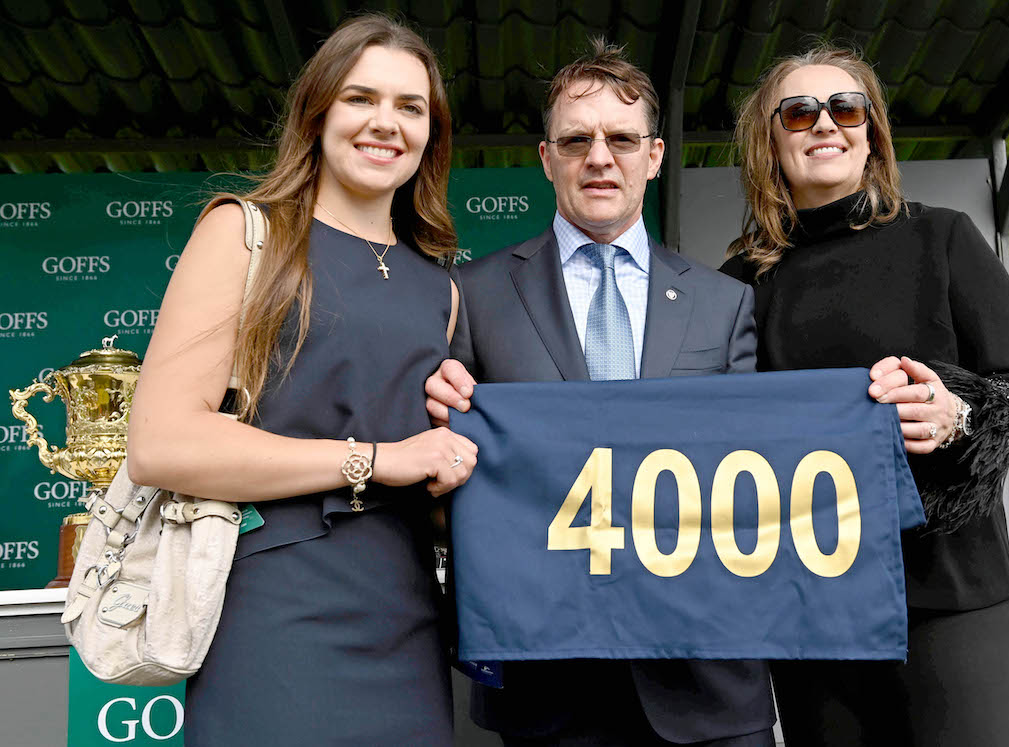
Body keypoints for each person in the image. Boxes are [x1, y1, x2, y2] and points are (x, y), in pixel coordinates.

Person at [126, 15, 477, 746]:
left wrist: (451, 473)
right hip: (274, 610)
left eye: (411, 107)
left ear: (431, 135)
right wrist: (377, 459)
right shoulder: (245, 232)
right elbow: (160, 443)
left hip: (409, 620)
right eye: (361, 99)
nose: (386, 123)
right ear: (317, 114)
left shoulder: (439, 289)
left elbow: (427, 475)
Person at [425, 40, 775, 747]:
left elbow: (756, 478)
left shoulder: (726, 304)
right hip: (547, 685)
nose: (599, 157)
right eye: (576, 139)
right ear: (547, 158)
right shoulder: (472, 294)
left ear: (654, 155)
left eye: (621, 138)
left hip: (705, 680)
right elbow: (449, 482)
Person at [719, 46, 1009, 747]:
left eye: (846, 108)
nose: (825, 125)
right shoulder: (740, 281)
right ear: (769, 141)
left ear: (872, 133)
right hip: (810, 603)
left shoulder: (945, 237)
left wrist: (958, 411)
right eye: (799, 112)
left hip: (950, 592)